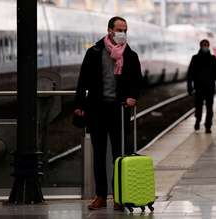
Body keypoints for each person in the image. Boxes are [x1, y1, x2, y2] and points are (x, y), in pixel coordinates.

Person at [73, 16, 142, 210]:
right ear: (110, 30)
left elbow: (137, 81)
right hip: (97, 110)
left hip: (119, 111)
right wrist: (79, 104)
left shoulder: (130, 55)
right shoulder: (94, 52)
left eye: (125, 30)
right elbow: (83, 80)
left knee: (120, 155)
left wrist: (133, 97)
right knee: (99, 155)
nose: (122, 34)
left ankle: (120, 196)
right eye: (119, 29)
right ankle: (101, 196)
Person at [187, 39, 216, 134]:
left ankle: (208, 126)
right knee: (198, 107)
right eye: (204, 45)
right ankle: (198, 120)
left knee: (209, 108)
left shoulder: (212, 58)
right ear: (200, 46)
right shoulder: (195, 58)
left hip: (210, 88)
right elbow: (190, 74)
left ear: (209, 46)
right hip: (199, 88)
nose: (205, 47)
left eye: (206, 45)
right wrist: (189, 87)